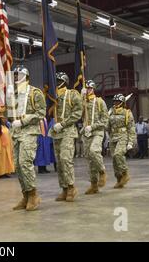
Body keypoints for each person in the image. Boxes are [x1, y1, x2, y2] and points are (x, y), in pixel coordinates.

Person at [9, 66, 46, 211]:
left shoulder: (35, 92)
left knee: (25, 162)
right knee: (18, 166)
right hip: (17, 133)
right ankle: (25, 195)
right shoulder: (14, 94)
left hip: (29, 131)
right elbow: (10, 113)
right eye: (15, 75)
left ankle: (33, 195)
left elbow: (41, 112)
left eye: (19, 74)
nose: (16, 77)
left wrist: (24, 121)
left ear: (26, 76)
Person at [49, 72, 82, 202]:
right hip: (56, 132)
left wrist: (63, 124)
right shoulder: (53, 95)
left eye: (58, 80)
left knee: (65, 159)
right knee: (59, 162)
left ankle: (71, 187)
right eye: (55, 80)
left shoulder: (72, 94)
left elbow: (78, 112)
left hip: (67, 130)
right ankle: (64, 188)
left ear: (65, 81)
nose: (56, 82)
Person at [80, 80, 109, 195]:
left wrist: (93, 126)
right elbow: (78, 113)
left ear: (93, 89)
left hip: (97, 132)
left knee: (94, 151)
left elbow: (105, 120)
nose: (88, 90)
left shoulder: (100, 102)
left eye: (90, 88)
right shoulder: (83, 102)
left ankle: (102, 171)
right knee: (89, 160)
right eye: (86, 88)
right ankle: (94, 185)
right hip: (86, 134)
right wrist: (80, 98)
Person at [108, 94, 136, 189]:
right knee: (114, 160)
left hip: (122, 136)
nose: (115, 103)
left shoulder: (127, 113)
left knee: (118, 155)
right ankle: (119, 179)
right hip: (113, 138)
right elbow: (108, 127)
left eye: (117, 101)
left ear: (122, 103)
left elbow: (131, 128)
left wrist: (131, 142)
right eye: (114, 101)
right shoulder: (111, 112)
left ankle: (125, 173)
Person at [0, 114, 14, 178]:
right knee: (0, 161)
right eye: (3, 119)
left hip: (7, 146)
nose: (5, 120)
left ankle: (7, 172)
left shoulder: (6, 127)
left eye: (5, 119)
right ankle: (1, 173)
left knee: (7, 160)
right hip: (1, 147)